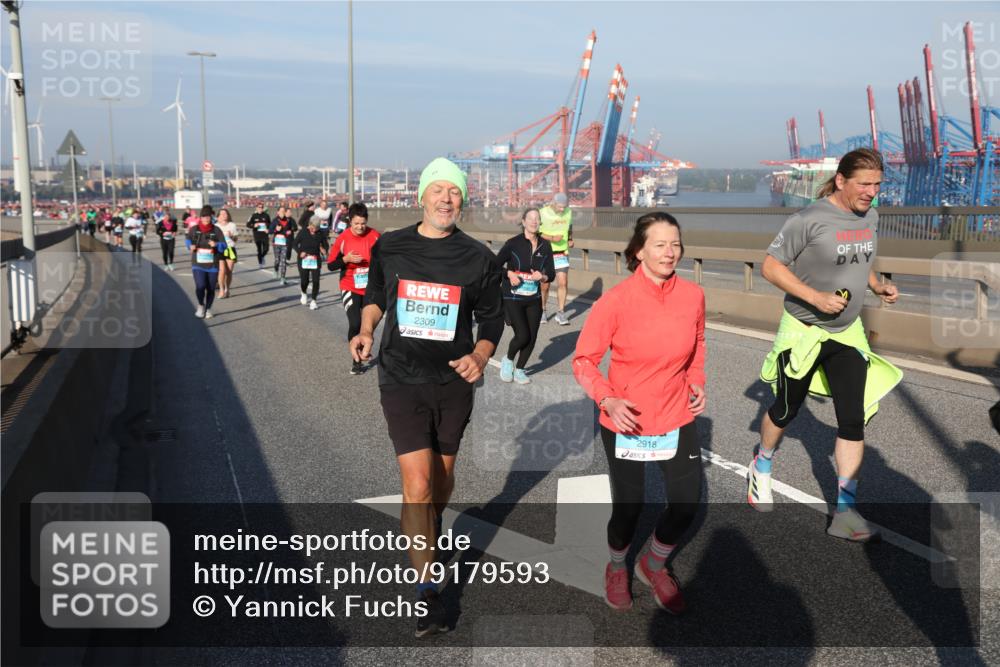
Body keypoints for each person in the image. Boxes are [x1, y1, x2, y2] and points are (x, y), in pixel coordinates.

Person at [349, 157, 503, 637]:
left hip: (454, 382)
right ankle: (428, 593)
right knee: (416, 484)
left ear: (462, 199)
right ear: (421, 196)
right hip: (401, 376)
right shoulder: (391, 246)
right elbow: (374, 295)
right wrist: (366, 329)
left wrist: (480, 354)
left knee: (441, 481)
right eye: (437, 190)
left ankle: (430, 524)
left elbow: (493, 318)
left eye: (454, 192)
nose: (445, 199)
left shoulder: (479, 258)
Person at [749, 148, 903, 542]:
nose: (872, 192)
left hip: (847, 332)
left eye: (878, 185)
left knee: (853, 418)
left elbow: (860, 260)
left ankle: (846, 512)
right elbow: (770, 266)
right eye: (864, 184)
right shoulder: (808, 219)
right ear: (841, 181)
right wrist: (815, 298)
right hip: (803, 328)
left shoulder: (870, 216)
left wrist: (878, 284)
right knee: (786, 410)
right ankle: (761, 464)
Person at [573, 211, 706, 614]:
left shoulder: (693, 295)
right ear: (639, 251)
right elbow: (583, 360)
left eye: (676, 244)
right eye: (660, 244)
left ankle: (654, 562)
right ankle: (617, 567)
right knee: (628, 510)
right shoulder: (615, 301)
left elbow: (698, 343)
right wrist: (607, 399)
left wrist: (697, 380)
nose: (670, 252)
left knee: (686, 504)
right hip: (625, 420)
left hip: (675, 414)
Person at [495, 207, 555, 384]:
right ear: (523, 222)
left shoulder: (546, 245)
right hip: (513, 297)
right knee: (523, 335)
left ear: (540, 222)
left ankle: (520, 369)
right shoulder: (513, 243)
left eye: (537, 218)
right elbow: (495, 265)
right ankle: (508, 359)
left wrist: (542, 276)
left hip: (533, 298)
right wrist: (509, 274)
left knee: (532, 337)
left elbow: (550, 273)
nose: (534, 221)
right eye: (530, 218)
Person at [327, 202, 380, 374]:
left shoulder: (375, 236)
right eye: (356, 223)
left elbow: (386, 258)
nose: (360, 227)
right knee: (355, 322)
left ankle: (363, 348)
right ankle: (356, 359)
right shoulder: (343, 238)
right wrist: (346, 259)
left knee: (367, 324)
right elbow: (330, 265)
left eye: (363, 223)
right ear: (350, 221)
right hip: (350, 285)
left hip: (370, 287)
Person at [185, 205, 228, 319]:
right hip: (198, 264)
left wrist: (217, 244)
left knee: (210, 288)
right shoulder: (194, 229)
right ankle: (200, 305)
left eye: (208, 216)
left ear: (211, 217)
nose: (206, 218)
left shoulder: (216, 230)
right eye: (204, 216)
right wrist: (190, 246)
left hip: (212, 264)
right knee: (200, 286)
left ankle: (208, 309)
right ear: (201, 217)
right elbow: (188, 240)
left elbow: (224, 246)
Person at [538, 192, 573, 325]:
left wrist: (570, 239)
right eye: (559, 207)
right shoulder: (542, 212)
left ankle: (561, 313)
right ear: (553, 203)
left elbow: (569, 226)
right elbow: (537, 232)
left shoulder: (568, 212)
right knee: (545, 286)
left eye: (564, 207)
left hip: (561, 252)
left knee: (563, 282)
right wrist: (552, 238)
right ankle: (543, 310)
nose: (562, 209)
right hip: (546, 252)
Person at [294, 216, 329, 310]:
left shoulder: (321, 234)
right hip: (303, 259)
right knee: (304, 280)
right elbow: (294, 244)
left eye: (316, 228)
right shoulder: (303, 232)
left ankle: (313, 301)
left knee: (316, 281)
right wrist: (300, 252)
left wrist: (324, 250)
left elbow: (326, 246)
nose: (314, 230)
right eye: (312, 227)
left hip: (315, 259)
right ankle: (304, 293)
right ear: (309, 225)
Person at [269, 205, 298, 285]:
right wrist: (275, 230)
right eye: (281, 211)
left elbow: (293, 228)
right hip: (276, 243)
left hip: (285, 243)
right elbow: (270, 231)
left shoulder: (289, 220)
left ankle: (283, 278)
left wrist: (290, 231)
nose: (282, 213)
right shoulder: (275, 220)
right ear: (278, 212)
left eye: (284, 211)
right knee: (277, 260)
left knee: (283, 261)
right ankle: (275, 270)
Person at [216, 208, 239, 298]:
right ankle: (221, 290)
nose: (224, 215)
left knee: (229, 272)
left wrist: (231, 236)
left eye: (225, 214)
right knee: (222, 271)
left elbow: (236, 239)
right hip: (219, 249)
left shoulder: (232, 225)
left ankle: (227, 289)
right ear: (218, 216)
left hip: (230, 249)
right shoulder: (216, 226)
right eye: (222, 214)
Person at [246, 203, 272, 267]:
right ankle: (260, 263)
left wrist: (268, 229)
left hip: (265, 234)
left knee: (266, 248)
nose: (260, 208)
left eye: (261, 207)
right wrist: (254, 225)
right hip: (257, 235)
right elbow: (248, 224)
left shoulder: (266, 215)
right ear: (256, 208)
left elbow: (270, 224)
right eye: (259, 207)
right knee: (259, 249)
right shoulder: (253, 216)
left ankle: (262, 257)